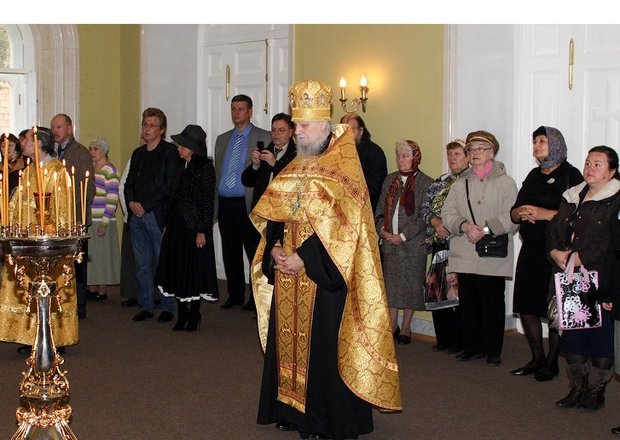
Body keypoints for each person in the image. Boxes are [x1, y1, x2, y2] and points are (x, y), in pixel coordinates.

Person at [252, 80, 401, 439]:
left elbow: (346, 232)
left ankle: (325, 421)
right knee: (288, 342)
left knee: (323, 349)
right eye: (296, 125)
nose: (298, 132)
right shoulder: (293, 167)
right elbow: (276, 217)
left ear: (324, 125)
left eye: (304, 125)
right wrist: (275, 249)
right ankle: (292, 411)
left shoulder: (344, 172)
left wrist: (304, 259)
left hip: (325, 280)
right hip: (288, 273)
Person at [548, 146, 620, 412]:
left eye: (597, 164)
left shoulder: (616, 200)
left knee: (600, 339)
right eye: (588, 162)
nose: (589, 168)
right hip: (570, 277)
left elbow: (612, 242)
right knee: (574, 336)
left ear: (612, 171)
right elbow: (554, 228)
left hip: (602, 279)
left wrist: (581, 259)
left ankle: (595, 391)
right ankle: (577, 387)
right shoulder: (572, 196)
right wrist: (554, 252)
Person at [509, 126, 583, 381]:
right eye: (535, 141)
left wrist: (544, 214)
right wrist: (519, 213)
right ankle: (537, 358)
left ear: (556, 144)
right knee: (526, 303)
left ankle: (552, 362)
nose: (537, 146)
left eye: (542, 141)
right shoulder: (533, 175)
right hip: (531, 248)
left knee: (553, 307)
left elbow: (578, 215)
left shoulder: (571, 175)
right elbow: (514, 211)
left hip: (555, 251)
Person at [441, 130, 519, 366]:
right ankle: (471, 346)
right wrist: (465, 226)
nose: (474, 153)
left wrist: (485, 230)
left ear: (492, 153)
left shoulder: (506, 183)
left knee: (492, 302)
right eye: (471, 149)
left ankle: (493, 349)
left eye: (480, 149)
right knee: (468, 302)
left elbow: (513, 216)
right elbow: (447, 212)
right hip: (465, 250)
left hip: (492, 252)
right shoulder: (460, 182)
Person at [0, 127, 74, 353]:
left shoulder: (57, 171)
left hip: (46, 243)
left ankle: (54, 338)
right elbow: (16, 204)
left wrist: (51, 237)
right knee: (28, 286)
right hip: (26, 240)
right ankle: (32, 335)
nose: (22, 144)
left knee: (50, 287)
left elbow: (62, 210)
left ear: (39, 143)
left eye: (26, 140)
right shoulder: (29, 170)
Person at [155, 125, 219, 331]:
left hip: (194, 227)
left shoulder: (205, 169)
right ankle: (182, 313)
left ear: (192, 148)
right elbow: (172, 197)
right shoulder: (179, 165)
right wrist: (167, 223)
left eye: (182, 145)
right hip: (176, 225)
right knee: (177, 269)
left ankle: (194, 314)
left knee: (193, 271)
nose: (178, 148)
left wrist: (202, 230)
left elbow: (207, 202)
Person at [123, 108, 182, 322]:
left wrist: (145, 205)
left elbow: (170, 186)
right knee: (142, 265)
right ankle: (146, 305)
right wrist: (131, 203)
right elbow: (128, 183)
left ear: (162, 129)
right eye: (145, 125)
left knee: (162, 262)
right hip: (136, 216)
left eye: (151, 125)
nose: (147, 129)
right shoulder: (138, 153)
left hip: (156, 215)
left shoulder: (169, 152)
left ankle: (168, 306)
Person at [214, 94, 271, 309]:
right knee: (230, 252)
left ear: (250, 111)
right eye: (233, 109)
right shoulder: (222, 139)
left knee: (254, 252)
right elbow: (218, 172)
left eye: (240, 109)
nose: (236, 112)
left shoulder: (263, 137)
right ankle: (235, 294)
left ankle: (255, 298)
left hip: (248, 205)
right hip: (225, 204)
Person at [375, 139, 433, 345]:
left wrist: (403, 236)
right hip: (390, 242)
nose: (401, 159)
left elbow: (424, 216)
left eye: (405, 156)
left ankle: (406, 326)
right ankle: (392, 324)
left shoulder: (426, 182)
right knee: (391, 286)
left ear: (415, 158)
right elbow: (380, 208)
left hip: (413, 245)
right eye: (398, 155)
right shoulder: (390, 180)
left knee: (411, 286)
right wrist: (381, 229)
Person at [240, 112, 297, 311]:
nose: (276, 134)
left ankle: (275, 303)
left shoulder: (297, 154)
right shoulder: (266, 150)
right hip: (259, 215)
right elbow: (246, 180)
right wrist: (255, 165)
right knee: (254, 257)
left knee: (273, 260)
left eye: (281, 130)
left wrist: (275, 164)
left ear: (291, 132)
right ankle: (255, 299)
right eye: (273, 130)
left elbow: (293, 183)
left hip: (281, 218)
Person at [421, 139, 470, 352]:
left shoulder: (471, 181)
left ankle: (462, 341)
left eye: (457, 154)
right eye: (449, 154)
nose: (452, 158)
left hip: (461, 243)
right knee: (438, 289)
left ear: (468, 157)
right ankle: (444, 338)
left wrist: (451, 226)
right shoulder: (439, 182)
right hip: (439, 241)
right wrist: (436, 223)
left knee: (458, 291)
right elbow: (425, 208)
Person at [50, 113, 95, 319]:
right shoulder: (52, 152)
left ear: (69, 128)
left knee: (78, 264)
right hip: (56, 218)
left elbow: (87, 188)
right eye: (53, 127)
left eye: (59, 127)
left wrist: (78, 215)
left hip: (75, 216)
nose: (55, 131)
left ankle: (79, 307)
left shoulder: (80, 152)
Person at [86, 137, 121, 301]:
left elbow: (112, 199)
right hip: (91, 218)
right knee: (93, 255)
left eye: (96, 149)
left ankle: (102, 290)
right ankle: (92, 287)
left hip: (103, 220)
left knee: (103, 256)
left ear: (104, 151)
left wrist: (104, 223)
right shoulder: (92, 169)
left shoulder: (110, 170)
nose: (92, 152)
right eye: (91, 149)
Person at [340, 113, 387, 213]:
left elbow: (376, 188)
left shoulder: (374, 152)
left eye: (351, 131)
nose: (346, 135)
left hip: (367, 210)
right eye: (343, 131)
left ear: (361, 131)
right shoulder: (339, 152)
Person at [118, 157, 139, 307]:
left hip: (151, 215)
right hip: (131, 215)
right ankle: (133, 294)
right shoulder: (134, 158)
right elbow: (123, 186)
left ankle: (155, 295)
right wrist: (129, 210)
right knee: (131, 258)